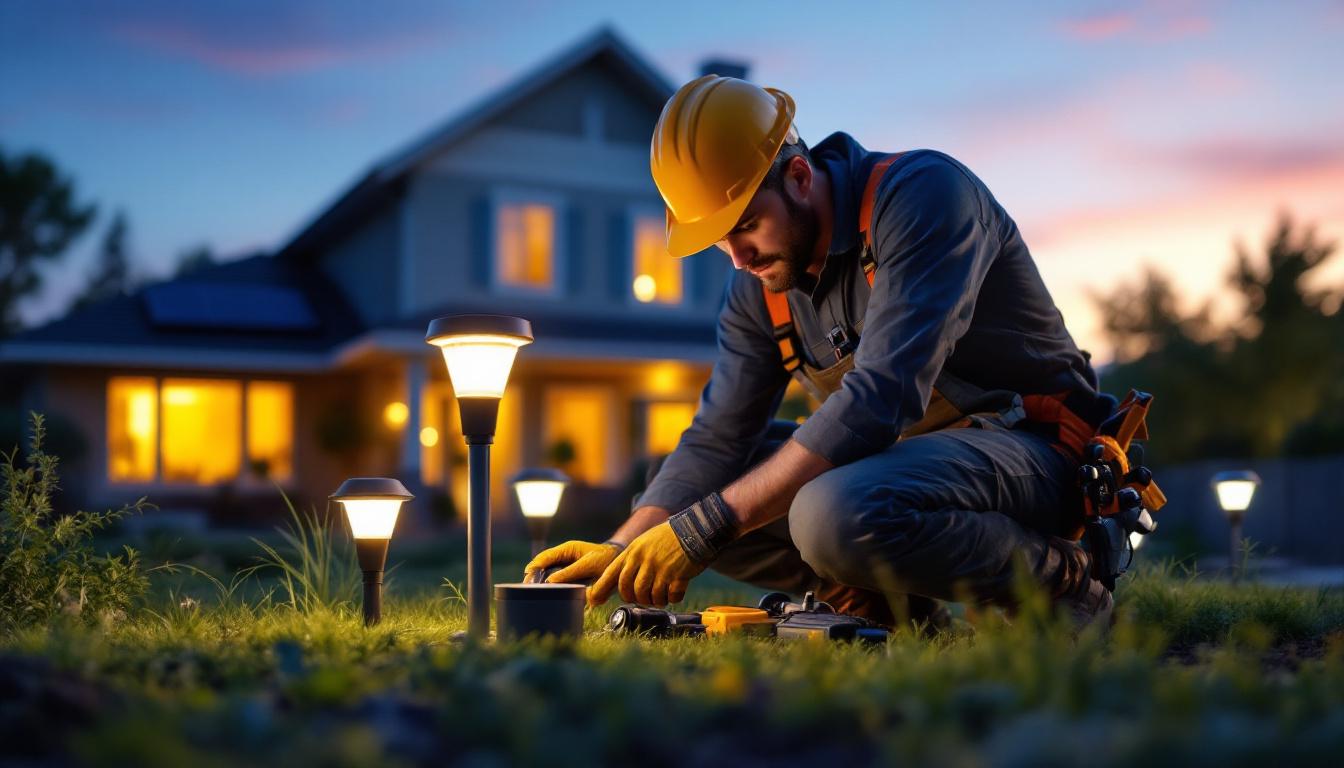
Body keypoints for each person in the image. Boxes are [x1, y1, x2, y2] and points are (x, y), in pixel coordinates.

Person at [525, 75, 1117, 631]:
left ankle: (1065, 581)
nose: (738, 257)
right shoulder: (759, 293)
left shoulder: (923, 197)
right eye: (719, 239)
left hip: (1040, 455)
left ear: (801, 177)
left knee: (826, 512)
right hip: (906, 468)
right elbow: (717, 437)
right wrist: (623, 545)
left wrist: (700, 531)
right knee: (679, 486)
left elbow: (881, 397)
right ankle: (890, 616)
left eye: (747, 224)